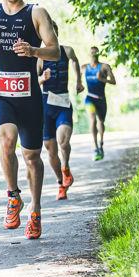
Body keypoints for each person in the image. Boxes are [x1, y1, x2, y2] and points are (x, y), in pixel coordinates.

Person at [0, 0, 59, 240]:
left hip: (29, 97)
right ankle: (13, 197)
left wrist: (34, 50)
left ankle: (35, 209)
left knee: (32, 157)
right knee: (6, 140)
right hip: (0, 92)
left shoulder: (36, 13)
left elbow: (55, 51)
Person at [37, 20, 84, 200]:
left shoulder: (67, 51)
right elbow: (32, 82)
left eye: (53, 31)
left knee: (63, 141)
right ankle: (60, 183)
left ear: (56, 33)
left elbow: (75, 61)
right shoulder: (40, 57)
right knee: (50, 149)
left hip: (63, 103)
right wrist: (42, 79)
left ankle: (65, 168)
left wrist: (79, 81)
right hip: (45, 105)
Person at [83, 46, 116, 160]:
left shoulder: (104, 67)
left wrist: (102, 80)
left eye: (96, 53)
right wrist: (79, 84)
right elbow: (77, 77)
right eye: (92, 52)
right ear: (89, 54)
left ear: (99, 54)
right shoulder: (84, 67)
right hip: (90, 98)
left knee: (101, 122)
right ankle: (95, 147)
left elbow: (113, 81)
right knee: (92, 119)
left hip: (101, 99)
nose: (94, 54)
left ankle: (101, 144)